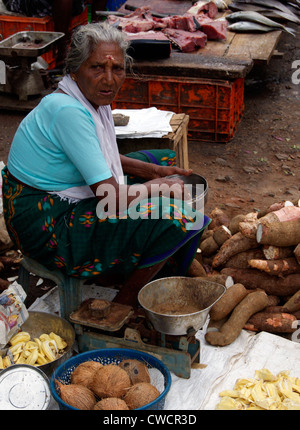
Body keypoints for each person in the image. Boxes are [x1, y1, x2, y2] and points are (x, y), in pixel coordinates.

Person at [2, 22, 210, 307]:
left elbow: (97, 158)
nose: (109, 79)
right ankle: (123, 306)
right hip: (46, 226)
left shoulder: (87, 98)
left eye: (117, 69)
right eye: (97, 68)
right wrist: (161, 186)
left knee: (160, 160)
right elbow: (110, 198)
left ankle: (144, 260)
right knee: (175, 215)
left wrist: (154, 173)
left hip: (57, 197)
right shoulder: (67, 111)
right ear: (74, 70)